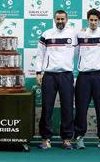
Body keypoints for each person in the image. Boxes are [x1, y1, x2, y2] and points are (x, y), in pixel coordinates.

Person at [36, 10, 77, 150]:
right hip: (49, 75)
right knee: (47, 107)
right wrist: (38, 72)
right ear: (54, 19)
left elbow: (80, 51)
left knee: (67, 107)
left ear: (67, 19)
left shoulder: (73, 34)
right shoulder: (47, 34)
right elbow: (40, 55)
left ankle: (66, 139)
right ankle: (46, 138)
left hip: (66, 75)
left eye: (62, 19)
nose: (60, 21)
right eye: (58, 19)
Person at [74, 8, 100, 149]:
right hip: (83, 77)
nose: (93, 22)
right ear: (87, 20)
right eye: (91, 20)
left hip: (99, 76)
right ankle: (79, 137)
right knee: (81, 108)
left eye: (96, 20)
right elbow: (75, 51)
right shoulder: (80, 34)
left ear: (99, 21)